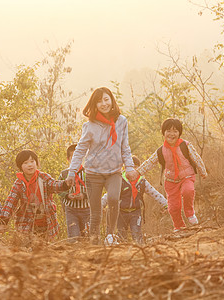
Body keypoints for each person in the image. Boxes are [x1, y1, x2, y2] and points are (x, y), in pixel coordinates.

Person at [65, 87, 137, 246]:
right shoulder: (89, 126)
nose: (104, 104)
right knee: (95, 211)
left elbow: (125, 147)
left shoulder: (121, 121)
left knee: (113, 199)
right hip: (93, 173)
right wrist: (72, 172)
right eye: (99, 101)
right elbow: (80, 150)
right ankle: (94, 241)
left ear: (112, 100)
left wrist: (130, 167)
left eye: (106, 99)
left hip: (114, 172)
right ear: (94, 104)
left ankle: (110, 235)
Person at [133, 118, 208, 232]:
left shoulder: (185, 145)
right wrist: (137, 172)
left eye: (175, 131)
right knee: (173, 207)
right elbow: (150, 162)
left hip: (186, 176)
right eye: (168, 131)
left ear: (179, 133)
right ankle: (179, 226)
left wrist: (203, 171)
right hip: (170, 181)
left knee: (188, 191)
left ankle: (189, 213)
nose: (172, 134)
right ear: (163, 133)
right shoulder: (161, 151)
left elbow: (196, 158)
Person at [0, 149, 69, 240]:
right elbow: (11, 202)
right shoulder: (19, 183)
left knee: (46, 249)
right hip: (27, 223)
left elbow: (54, 185)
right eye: (25, 163)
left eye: (32, 161)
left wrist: (65, 184)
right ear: (20, 167)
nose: (30, 165)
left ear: (36, 163)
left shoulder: (43, 178)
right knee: (28, 249)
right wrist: (3, 221)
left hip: (47, 221)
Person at [102, 155, 167, 244]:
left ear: (139, 169)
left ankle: (140, 251)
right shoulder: (120, 180)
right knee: (121, 235)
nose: (132, 170)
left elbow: (154, 194)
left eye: (135, 167)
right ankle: (123, 254)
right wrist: (100, 206)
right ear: (124, 168)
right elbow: (109, 195)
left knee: (136, 234)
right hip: (121, 212)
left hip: (135, 212)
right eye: (130, 167)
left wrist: (166, 204)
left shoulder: (142, 182)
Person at [58, 144, 90, 242]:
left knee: (87, 236)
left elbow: (94, 189)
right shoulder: (64, 174)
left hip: (87, 210)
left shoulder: (88, 173)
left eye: (80, 157)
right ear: (68, 159)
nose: (77, 160)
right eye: (73, 157)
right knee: (73, 236)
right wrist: (67, 196)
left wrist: (84, 195)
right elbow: (58, 189)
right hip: (71, 210)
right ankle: (73, 255)